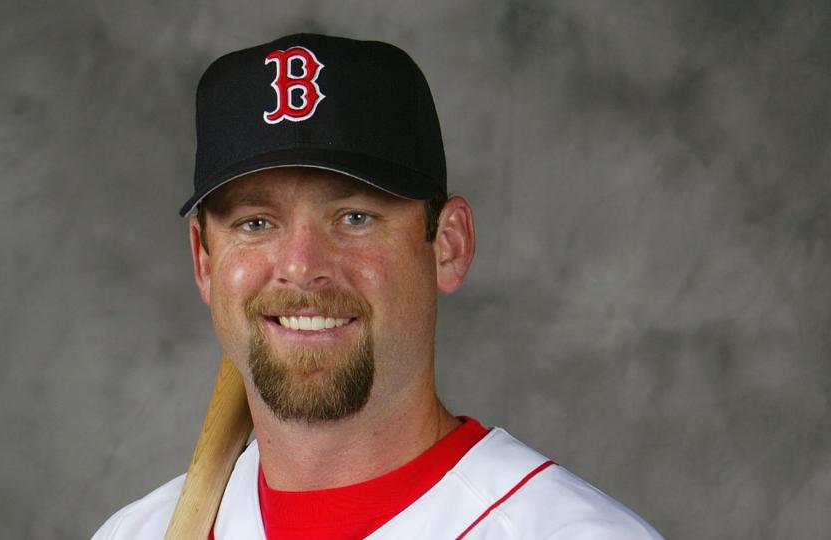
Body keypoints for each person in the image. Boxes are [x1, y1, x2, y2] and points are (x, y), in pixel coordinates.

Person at [93, 33, 663, 539]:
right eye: (256, 223)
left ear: (449, 245)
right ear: (204, 260)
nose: (301, 267)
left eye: (355, 217)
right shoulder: (136, 533)